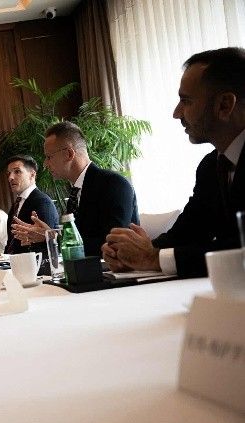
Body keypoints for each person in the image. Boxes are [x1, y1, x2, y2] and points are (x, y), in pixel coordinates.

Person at [103, 47, 245, 278]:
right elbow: (188, 233)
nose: (176, 113)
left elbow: (239, 252)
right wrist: (131, 253)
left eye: (186, 101)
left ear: (224, 105)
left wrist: (151, 258)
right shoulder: (211, 166)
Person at [14, 121, 139, 256]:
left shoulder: (113, 184)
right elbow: (81, 241)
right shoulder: (75, 193)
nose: (45, 164)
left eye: (49, 157)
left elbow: (111, 244)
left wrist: (52, 237)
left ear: (69, 154)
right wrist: (49, 236)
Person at [5, 155, 59, 254]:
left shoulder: (42, 201)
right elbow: (10, 243)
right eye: (9, 173)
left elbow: (48, 244)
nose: (10, 178)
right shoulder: (16, 204)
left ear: (32, 175)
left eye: (17, 171)